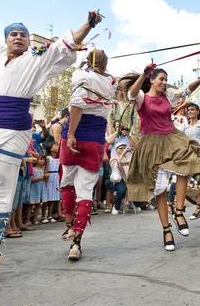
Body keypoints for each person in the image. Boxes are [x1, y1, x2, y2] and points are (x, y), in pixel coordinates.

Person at [0, 0, 102, 282]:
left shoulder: (38, 59)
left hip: (15, 130)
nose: (18, 37)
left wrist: (89, 24)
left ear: (28, 41)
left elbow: (68, 42)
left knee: (0, 191)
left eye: (22, 35)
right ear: (6, 39)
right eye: (13, 34)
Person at [120, 67, 200, 251]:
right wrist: (142, 75)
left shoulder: (167, 96)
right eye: (161, 79)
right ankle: (166, 231)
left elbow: (185, 91)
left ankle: (178, 212)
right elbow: (132, 93)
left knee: (186, 166)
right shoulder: (141, 98)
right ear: (152, 80)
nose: (164, 83)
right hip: (151, 144)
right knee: (159, 188)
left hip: (171, 138)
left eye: (166, 79)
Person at [59, 49, 117, 260]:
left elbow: (77, 104)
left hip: (74, 134)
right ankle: (76, 243)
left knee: (67, 182)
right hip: (94, 138)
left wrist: (72, 133)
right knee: (85, 191)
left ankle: (68, 227)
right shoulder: (111, 82)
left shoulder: (81, 75)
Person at [105, 139, 130, 214]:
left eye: (124, 148)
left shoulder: (129, 157)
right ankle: (116, 206)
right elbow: (115, 164)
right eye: (121, 148)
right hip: (118, 180)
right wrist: (123, 154)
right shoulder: (113, 157)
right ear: (116, 149)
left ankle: (135, 205)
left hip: (129, 179)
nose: (123, 150)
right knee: (122, 190)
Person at [43, 142, 61, 223]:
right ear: (50, 149)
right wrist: (45, 179)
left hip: (56, 176)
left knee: (54, 197)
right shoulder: (48, 158)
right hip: (49, 175)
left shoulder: (59, 158)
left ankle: (50, 215)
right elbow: (46, 169)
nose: (57, 147)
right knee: (47, 197)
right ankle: (44, 216)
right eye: (55, 145)